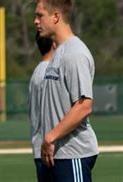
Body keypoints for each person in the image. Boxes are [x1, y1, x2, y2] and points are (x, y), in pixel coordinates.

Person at [34, 0, 98, 181]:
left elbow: (84, 106)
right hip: (55, 155)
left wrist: (51, 137)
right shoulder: (60, 53)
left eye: (40, 15)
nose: (35, 21)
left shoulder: (74, 53)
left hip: (72, 154)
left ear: (56, 17)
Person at [28, 31, 55, 181]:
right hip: (48, 150)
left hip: (41, 148)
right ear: (54, 44)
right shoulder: (48, 72)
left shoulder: (38, 71)